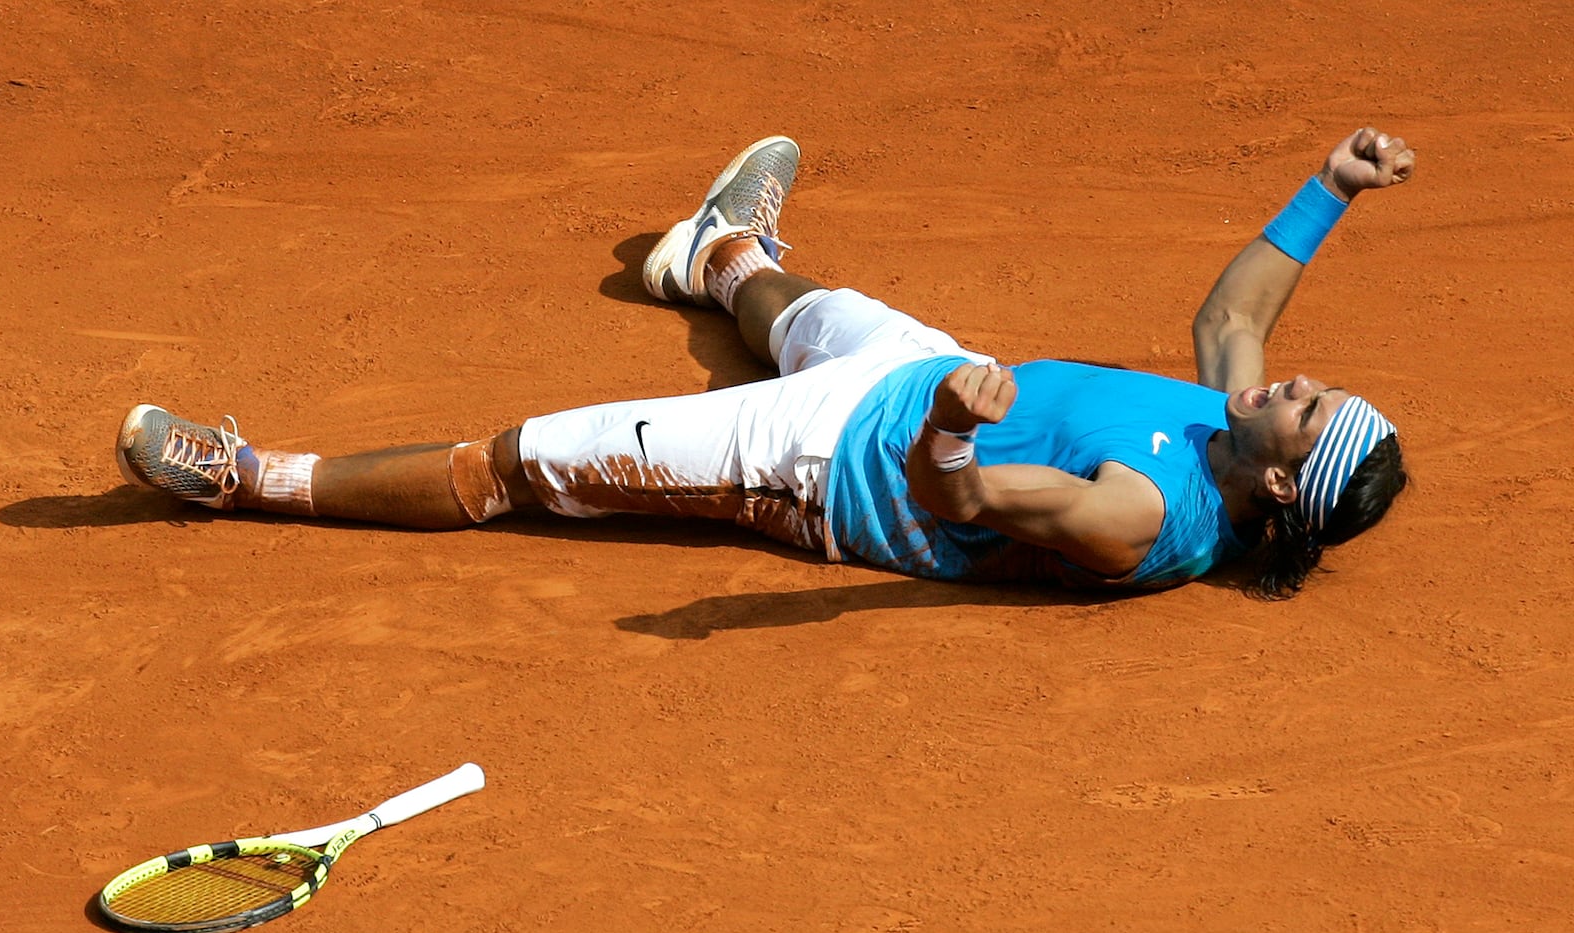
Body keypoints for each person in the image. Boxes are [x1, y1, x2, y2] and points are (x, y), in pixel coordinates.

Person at [115, 128, 1414, 598]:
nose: (1290, 383)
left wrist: (957, 433)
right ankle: (720, 249)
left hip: (819, 465)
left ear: (1287, 489)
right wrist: (1330, 189)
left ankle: (246, 477)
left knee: (522, 462)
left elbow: (965, 503)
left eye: (1308, 411)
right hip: (920, 371)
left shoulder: (1149, 516)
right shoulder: (1230, 421)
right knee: (800, 307)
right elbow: (1236, 319)